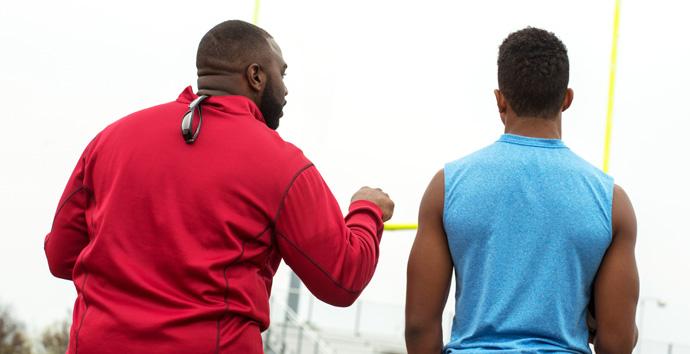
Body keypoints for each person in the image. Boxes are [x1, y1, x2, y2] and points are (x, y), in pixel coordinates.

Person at [44, 20, 394, 354]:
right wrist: (367, 210)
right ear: (255, 75)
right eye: (281, 74)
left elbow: (61, 257)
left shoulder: (110, 140)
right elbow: (341, 279)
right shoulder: (282, 164)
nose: (286, 89)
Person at [405, 27, 639, 354]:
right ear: (566, 99)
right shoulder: (612, 203)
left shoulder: (446, 187)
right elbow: (616, 343)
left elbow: (419, 326)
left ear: (500, 99)